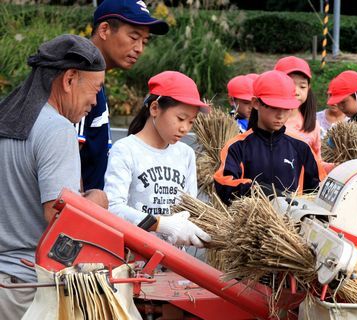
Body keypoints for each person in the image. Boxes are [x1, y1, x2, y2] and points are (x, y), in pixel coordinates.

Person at [0, 34, 108, 319]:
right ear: (69, 79)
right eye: (95, 89)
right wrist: (97, 201)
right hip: (27, 289)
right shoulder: (57, 130)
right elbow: (60, 220)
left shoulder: (5, 117)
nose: (95, 101)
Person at [104, 71, 211, 248]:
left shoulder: (186, 154)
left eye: (191, 122)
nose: (185, 128)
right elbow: (113, 208)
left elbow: (191, 208)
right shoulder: (125, 150)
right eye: (181, 118)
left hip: (174, 262)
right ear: (155, 108)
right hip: (133, 261)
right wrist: (161, 224)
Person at [76, 0, 169, 191]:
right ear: (104, 30)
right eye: (134, 37)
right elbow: (66, 164)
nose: (139, 48)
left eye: (144, 41)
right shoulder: (79, 78)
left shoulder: (95, 80)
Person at [214, 70, 325, 205]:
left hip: (291, 222)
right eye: (274, 107)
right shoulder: (237, 146)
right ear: (256, 103)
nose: (280, 115)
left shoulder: (301, 147)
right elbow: (224, 184)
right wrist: (258, 190)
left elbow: (319, 188)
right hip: (248, 222)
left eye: (286, 108)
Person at [274, 56, 334, 173]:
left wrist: (337, 167)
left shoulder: (312, 125)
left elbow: (316, 164)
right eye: (290, 85)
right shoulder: (268, 121)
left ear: (309, 88)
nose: (296, 92)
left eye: (302, 86)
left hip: (301, 189)